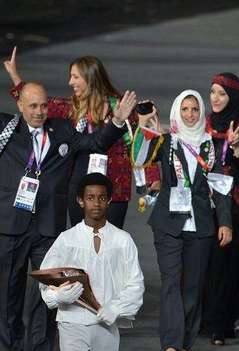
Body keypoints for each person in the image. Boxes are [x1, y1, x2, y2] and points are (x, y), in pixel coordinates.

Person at [0, 82, 136, 351]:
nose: (39, 111)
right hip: (10, 225)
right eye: (33, 106)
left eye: (43, 105)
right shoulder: (6, 130)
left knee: (46, 295)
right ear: (20, 106)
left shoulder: (61, 130)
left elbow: (95, 143)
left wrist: (118, 120)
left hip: (47, 228)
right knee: (7, 295)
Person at [3, 49, 160, 228]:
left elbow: (140, 143)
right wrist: (15, 76)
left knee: (112, 244)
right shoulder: (69, 109)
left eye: (75, 77)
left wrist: (152, 178)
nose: (70, 82)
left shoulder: (121, 108)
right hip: (80, 190)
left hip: (115, 189)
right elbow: (33, 102)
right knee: (84, 243)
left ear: (90, 78)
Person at [132, 90, 233, 351]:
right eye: (185, 109)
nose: (190, 114)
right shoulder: (166, 141)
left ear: (201, 113)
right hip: (168, 222)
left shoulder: (210, 145)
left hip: (200, 224)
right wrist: (145, 126)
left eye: (195, 109)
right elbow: (139, 157)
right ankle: (171, 343)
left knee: (193, 286)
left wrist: (225, 222)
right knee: (170, 282)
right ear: (177, 110)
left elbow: (221, 188)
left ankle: (186, 342)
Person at [39, 173, 144, 351]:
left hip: (106, 324)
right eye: (90, 198)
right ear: (80, 201)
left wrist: (116, 308)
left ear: (109, 200)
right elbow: (46, 278)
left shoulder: (122, 240)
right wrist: (57, 296)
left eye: (102, 198)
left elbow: (135, 283)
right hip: (72, 322)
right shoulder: (66, 240)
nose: (96, 204)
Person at [201, 73, 239, 345]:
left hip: (234, 207)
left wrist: (235, 149)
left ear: (233, 97)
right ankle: (207, 318)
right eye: (212, 92)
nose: (215, 98)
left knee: (230, 266)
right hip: (203, 204)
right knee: (206, 265)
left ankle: (224, 321)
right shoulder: (202, 123)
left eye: (222, 94)